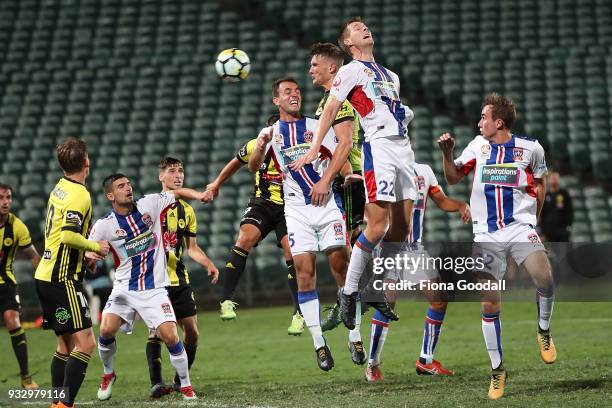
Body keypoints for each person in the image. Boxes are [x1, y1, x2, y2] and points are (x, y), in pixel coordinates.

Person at [292, 17, 416, 329]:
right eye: (356, 28)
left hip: (404, 149)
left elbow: (392, 109)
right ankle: (349, 295)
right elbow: (332, 108)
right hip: (381, 150)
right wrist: (313, 146)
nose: (364, 29)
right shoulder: (350, 71)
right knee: (377, 226)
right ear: (349, 44)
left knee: (402, 229)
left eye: (365, 26)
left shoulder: (391, 75)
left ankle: (371, 285)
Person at [438, 93, 556, 400]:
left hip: (519, 227)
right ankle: (497, 369)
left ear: (498, 122)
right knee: (489, 302)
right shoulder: (478, 146)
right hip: (486, 235)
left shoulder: (531, 149)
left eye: (483, 118)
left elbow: (540, 185)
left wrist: (533, 223)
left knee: (544, 276)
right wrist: (447, 154)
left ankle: (543, 329)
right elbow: (452, 178)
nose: (479, 123)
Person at [249, 77, 363, 371]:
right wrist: (260, 146)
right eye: (287, 92)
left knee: (342, 268)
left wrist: (343, 174)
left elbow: (341, 158)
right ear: (276, 100)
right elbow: (253, 167)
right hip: (297, 211)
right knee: (304, 274)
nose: (294, 94)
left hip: (327, 207)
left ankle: (355, 335)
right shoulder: (271, 134)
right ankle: (319, 344)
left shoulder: (316, 127)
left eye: (297, 90)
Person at [90, 173, 208, 401]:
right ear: (110, 195)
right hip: (124, 288)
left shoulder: (149, 204)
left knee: (172, 337)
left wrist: (200, 195)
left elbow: (176, 193)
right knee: (105, 331)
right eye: (121, 186)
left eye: (128, 184)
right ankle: (108, 374)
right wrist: (91, 257)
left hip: (153, 289)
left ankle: (185, 386)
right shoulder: (105, 225)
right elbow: (89, 250)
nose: (128, 188)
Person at [365, 162, 471, 382]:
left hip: (415, 249)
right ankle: (372, 365)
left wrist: (460, 205)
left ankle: (425, 361)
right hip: (389, 247)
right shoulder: (380, 169)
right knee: (387, 303)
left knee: (439, 299)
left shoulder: (424, 171)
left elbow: (441, 201)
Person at [205, 114, 305, 335]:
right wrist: (216, 183)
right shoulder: (255, 146)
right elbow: (235, 163)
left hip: (291, 207)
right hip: (263, 203)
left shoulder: (298, 146)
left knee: (293, 255)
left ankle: (298, 313)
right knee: (244, 239)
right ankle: (226, 301)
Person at [34, 137, 111, 408]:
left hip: (45, 275)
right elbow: (68, 235)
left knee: (65, 346)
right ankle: (65, 405)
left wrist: (84, 256)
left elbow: (60, 236)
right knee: (86, 344)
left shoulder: (61, 187)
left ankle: (57, 403)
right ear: (86, 162)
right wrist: (95, 246)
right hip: (61, 279)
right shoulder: (80, 194)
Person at [146, 157, 219, 398]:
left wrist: (208, 263)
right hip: (154, 281)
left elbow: (192, 248)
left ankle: (179, 379)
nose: (178, 175)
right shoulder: (152, 206)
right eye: (171, 171)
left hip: (178, 278)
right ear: (161, 176)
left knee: (193, 332)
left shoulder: (186, 211)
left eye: (181, 171)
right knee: (155, 331)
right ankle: (156, 383)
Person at [0, 184, 41, 389]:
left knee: (12, 320)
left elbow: (33, 255)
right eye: (1, 198)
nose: (5, 202)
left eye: (8, 197)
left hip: (5, 283)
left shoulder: (17, 226)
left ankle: (25, 377)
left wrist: (44, 277)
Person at [540, 170, 573, 242]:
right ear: (548, 180)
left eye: (555, 177)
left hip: (562, 231)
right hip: (548, 233)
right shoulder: (545, 196)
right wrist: (543, 232)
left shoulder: (564, 194)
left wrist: (568, 227)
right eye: (551, 177)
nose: (553, 179)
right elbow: (542, 215)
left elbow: (569, 211)